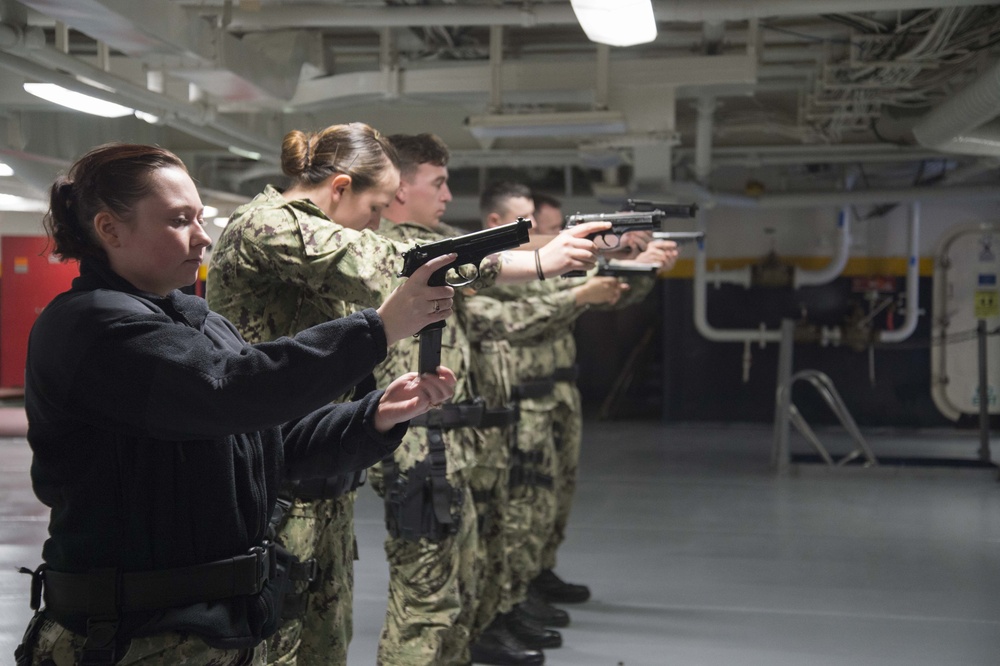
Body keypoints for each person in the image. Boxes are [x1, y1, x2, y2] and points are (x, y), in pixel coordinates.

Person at [14, 142, 457, 666]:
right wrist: (379, 328)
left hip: (217, 629)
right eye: (179, 220)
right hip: (131, 638)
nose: (202, 236)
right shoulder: (90, 328)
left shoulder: (200, 323)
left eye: (200, 218)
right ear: (110, 229)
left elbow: (271, 442)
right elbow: (227, 392)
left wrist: (376, 415)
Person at [207, 125, 605, 666]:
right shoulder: (269, 225)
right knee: (275, 646)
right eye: (375, 207)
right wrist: (535, 261)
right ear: (341, 186)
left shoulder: (318, 243)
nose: (378, 221)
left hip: (321, 469)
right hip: (267, 479)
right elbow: (393, 258)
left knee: (325, 642)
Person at [375, 134, 612, 666]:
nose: (446, 194)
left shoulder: (434, 248)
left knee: (456, 587)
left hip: (456, 431)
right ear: (397, 191)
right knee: (429, 601)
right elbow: (496, 316)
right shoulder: (402, 254)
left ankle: (490, 623)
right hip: (424, 437)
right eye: (436, 183)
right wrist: (570, 285)